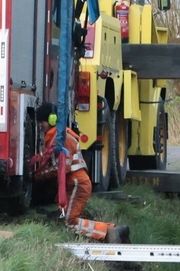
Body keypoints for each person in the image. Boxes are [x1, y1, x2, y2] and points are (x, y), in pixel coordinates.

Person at [32, 104, 130, 243]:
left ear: (52, 119)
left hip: (78, 184)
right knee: (65, 218)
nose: (40, 125)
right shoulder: (57, 137)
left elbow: (62, 168)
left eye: (42, 122)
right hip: (76, 183)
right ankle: (114, 230)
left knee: (69, 222)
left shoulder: (62, 139)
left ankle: (107, 232)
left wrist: (39, 175)